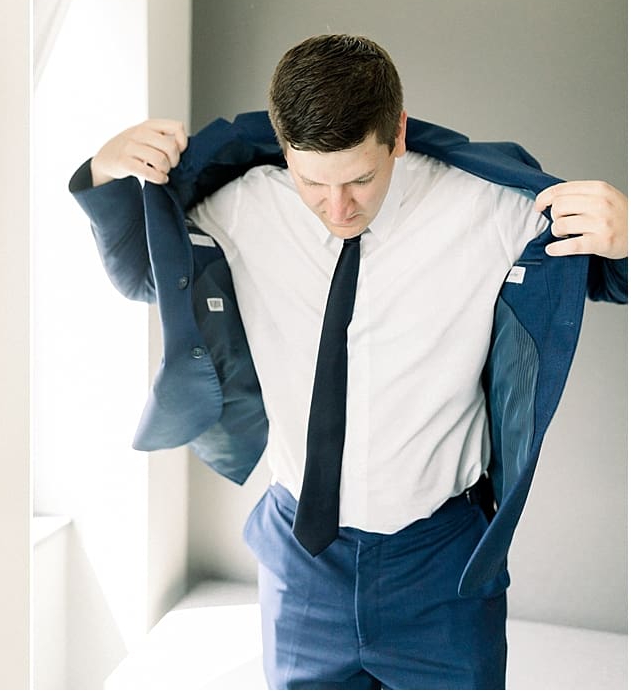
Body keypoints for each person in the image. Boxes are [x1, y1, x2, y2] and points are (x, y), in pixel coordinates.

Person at [68, 34, 627, 689]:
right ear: (284, 151)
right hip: (301, 562)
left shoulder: (494, 207)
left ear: (397, 133)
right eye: (313, 182)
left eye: (361, 178)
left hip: (441, 563)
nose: (339, 207)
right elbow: (144, 275)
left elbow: (608, 276)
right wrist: (106, 171)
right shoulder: (241, 204)